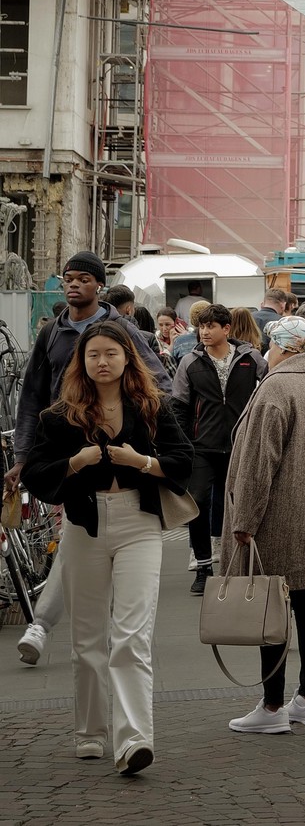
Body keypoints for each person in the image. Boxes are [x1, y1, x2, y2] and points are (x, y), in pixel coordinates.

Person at [21, 319, 193, 776]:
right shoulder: (59, 415)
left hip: (139, 522)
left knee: (132, 634)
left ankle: (135, 739)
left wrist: (144, 462)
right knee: (87, 638)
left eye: (111, 353)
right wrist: (73, 463)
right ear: (81, 361)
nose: (102, 361)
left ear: (126, 357)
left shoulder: (152, 406)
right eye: (93, 354)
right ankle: (90, 731)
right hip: (85, 525)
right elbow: (36, 472)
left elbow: (183, 460)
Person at [8, 251, 170, 666]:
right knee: (78, 533)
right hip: (70, 456)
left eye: (83, 278)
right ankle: (49, 626)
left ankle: (44, 625)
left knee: (84, 538)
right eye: (68, 278)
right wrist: (25, 456)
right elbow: (31, 398)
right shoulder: (52, 333)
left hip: (119, 456)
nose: (74, 284)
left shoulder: (121, 330)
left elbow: (161, 386)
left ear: (100, 284)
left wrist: (139, 432)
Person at [223, 317, 305, 735]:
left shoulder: (276, 387)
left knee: (270, 609)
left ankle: (273, 705)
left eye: (270, 345)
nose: (266, 352)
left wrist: (244, 519)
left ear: (283, 347)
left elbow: (259, 462)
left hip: (278, 516)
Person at [169, 303, 267, 595]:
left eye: (211, 326)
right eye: (201, 326)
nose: (205, 332)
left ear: (226, 329)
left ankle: (236, 564)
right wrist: (185, 443)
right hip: (202, 445)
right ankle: (202, 566)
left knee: (237, 505)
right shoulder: (190, 361)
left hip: (240, 444)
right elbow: (179, 405)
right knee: (197, 501)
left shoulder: (251, 358)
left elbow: (268, 391)